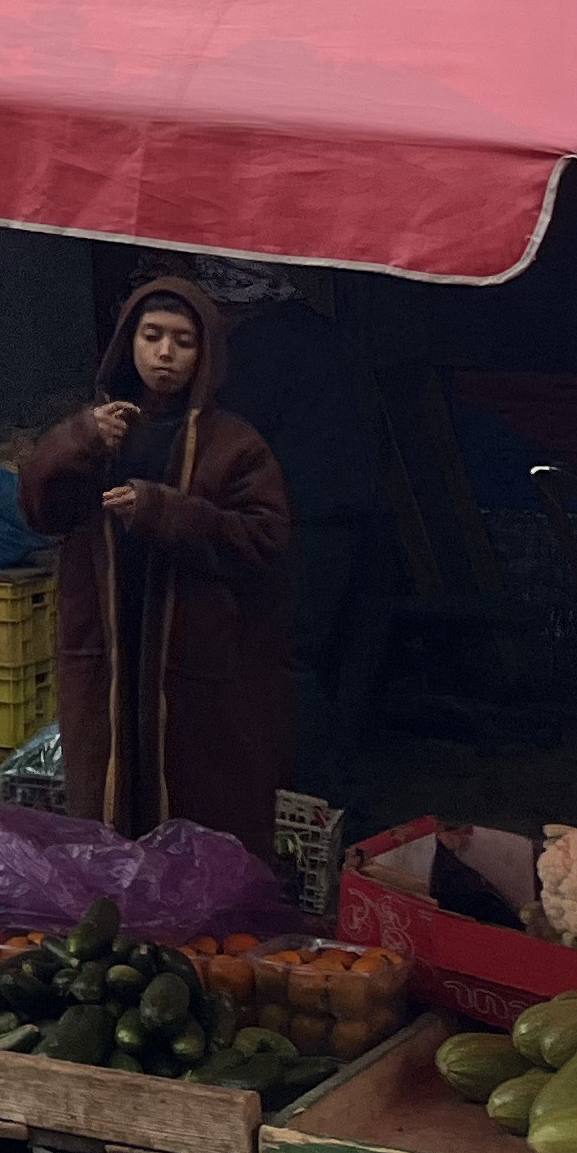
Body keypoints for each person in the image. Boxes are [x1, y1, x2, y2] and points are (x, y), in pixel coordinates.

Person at [17, 275, 295, 863]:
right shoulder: (101, 428)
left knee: (203, 800)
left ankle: (197, 925)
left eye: (183, 341)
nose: (165, 354)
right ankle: (116, 916)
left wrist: (169, 514)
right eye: (151, 337)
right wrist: (77, 441)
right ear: (129, 344)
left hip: (198, 657)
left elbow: (265, 541)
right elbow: (42, 509)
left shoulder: (235, 445)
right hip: (108, 648)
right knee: (107, 788)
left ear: (206, 355)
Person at [177, 256, 393, 809]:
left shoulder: (255, 348)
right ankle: (329, 796)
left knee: (286, 658)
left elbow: (232, 444)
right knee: (319, 657)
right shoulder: (313, 326)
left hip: (305, 520)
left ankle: (321, 801)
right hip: (347, 514)